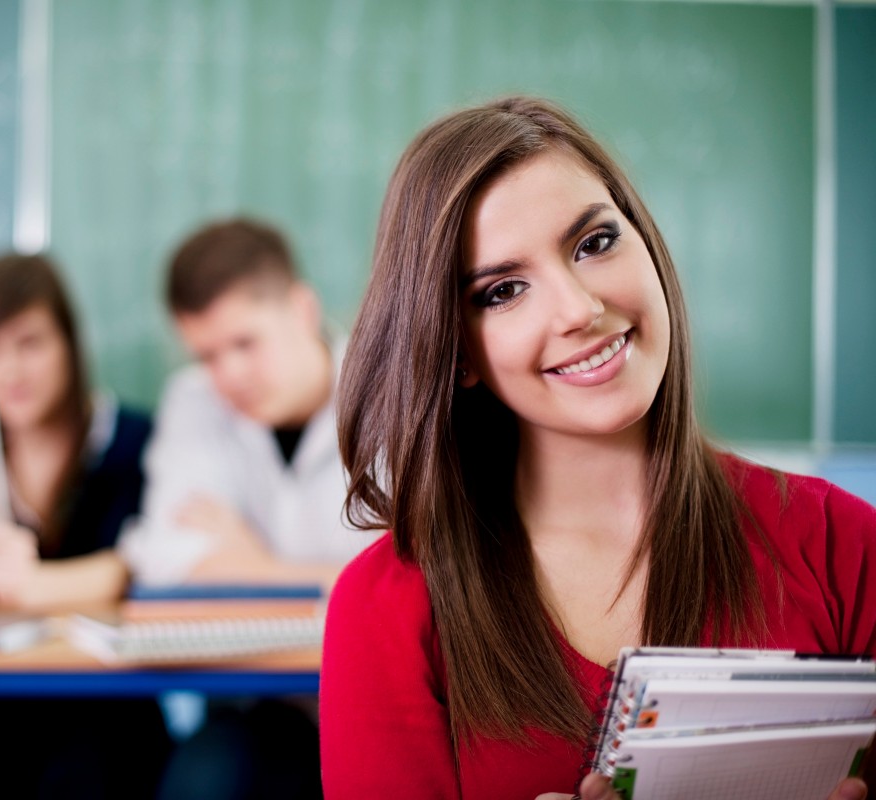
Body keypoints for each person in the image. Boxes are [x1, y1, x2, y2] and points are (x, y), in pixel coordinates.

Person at [319, 94, 876, 800]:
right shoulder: (387, 609)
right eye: (504, 290)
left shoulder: (842, 543)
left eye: (595, 243)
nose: (580, 308)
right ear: (456, 350)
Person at [0, 252, 173, 799]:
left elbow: (143, 567)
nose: (9, 373)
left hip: (107, 705)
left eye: (30, 344)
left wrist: (39, 584)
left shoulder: (137, 442)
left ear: (69, 342)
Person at [119, 217, 370, 800]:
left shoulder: (394, 390)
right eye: (207, 354)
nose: (228, 375)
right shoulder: (193, 401)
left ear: (302, 309)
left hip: (382, 697)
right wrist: (330, 581)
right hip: (260, 704)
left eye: (244, 343)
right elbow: (163, 562)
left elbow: (414, 583)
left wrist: (253, 565)